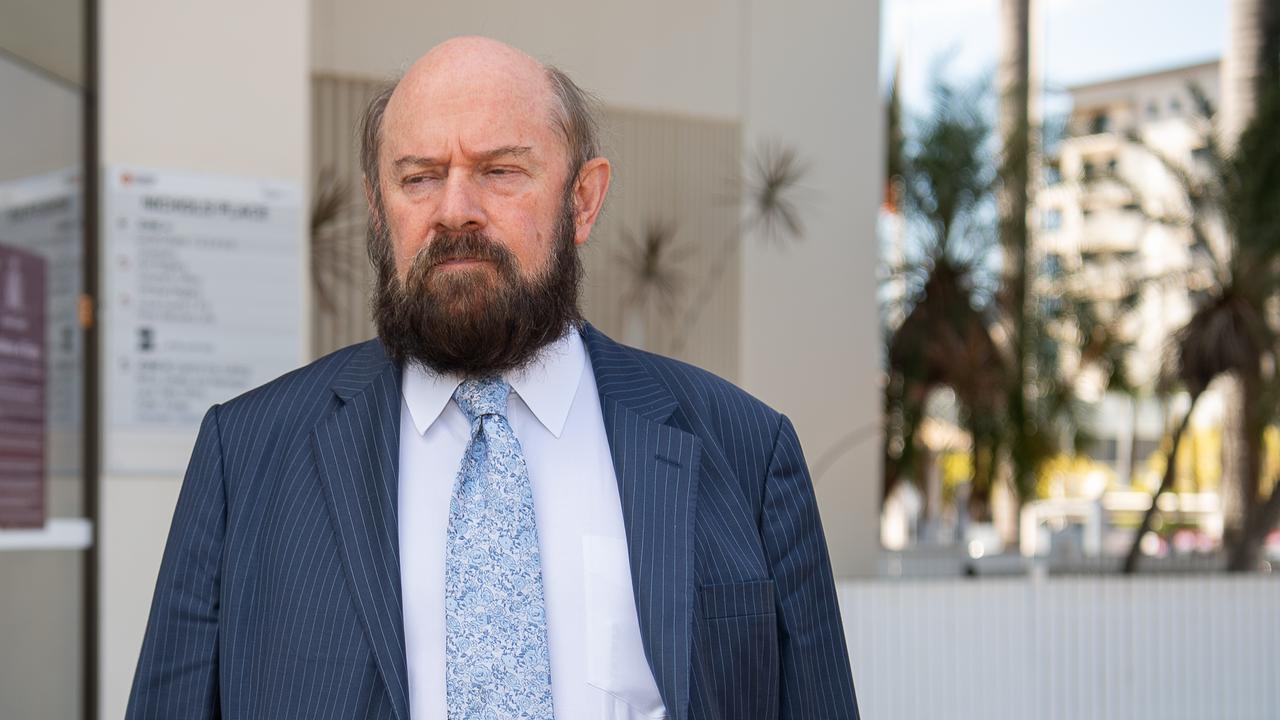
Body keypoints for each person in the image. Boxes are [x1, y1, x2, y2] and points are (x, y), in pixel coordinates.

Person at [126, 36, 859, 720]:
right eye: (419, 177)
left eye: (500, 171)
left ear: (583, 199)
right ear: (379, 210)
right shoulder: (244, 456)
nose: (456, 211)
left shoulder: (745, 451)